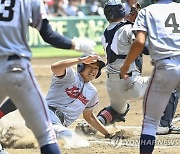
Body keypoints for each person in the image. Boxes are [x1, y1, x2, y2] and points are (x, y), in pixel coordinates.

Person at [0, 0, 96, 154]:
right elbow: (49, 35)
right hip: (15, 65)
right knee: (45, 134)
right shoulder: (31, 2)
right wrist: (76, 44)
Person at [96, 0, 179, 135]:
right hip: (130, 82)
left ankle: (96, 124)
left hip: (112, 84)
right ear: (122, 11)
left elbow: (123, 40)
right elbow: (145, 48)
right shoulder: (128, 28)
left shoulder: (106, 33)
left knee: (117, 110)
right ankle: (163, 125)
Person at [0, 54, 114, 139]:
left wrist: (108, 134)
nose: (93, 70)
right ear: (81, 66)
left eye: (96, 68)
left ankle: (12, 135)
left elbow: (89, 116)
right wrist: (80, 59)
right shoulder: (70, 75)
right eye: (90, 66)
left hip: (57, 123)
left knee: (68, 136)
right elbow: (55, 67)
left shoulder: (92, 91)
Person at [120, 0, 180, 153]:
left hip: (166, 68)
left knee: (151, 122)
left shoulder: (147, 11)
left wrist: (126, 65)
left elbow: (140, 42)